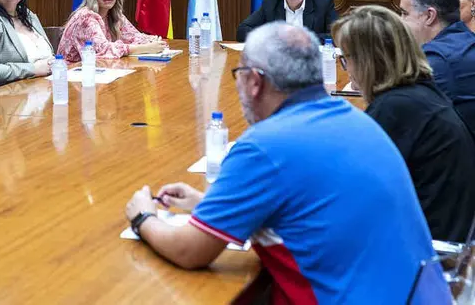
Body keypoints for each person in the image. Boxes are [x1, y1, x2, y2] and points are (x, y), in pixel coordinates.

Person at [125, 22, 442, 303]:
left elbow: (189, 251)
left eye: (239, 74)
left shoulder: (264, 146)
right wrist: (208, 205)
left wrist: (144, 217)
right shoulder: (357, 120)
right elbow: (307, 210)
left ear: (255, 81)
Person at [332, 5, 475, 242]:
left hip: (427, 252)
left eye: (346, 59)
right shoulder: (417, 92)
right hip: (442, 235)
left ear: (369, 60)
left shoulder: (397, 107)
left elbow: (355, 192)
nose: (348, 70)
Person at [399, 0, 475, 139]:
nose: (400, 21)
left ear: (429, 16)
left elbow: (405, 119)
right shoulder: (466, 39)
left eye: (405, 14)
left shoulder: (436, 60)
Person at [57, 0, 167, 62]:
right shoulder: (85, 17)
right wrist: (146, 48)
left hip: (97, 73)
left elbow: (134, 37)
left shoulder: (113, 15)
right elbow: (104, 50)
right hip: (69, 77)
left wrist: (154, 42)